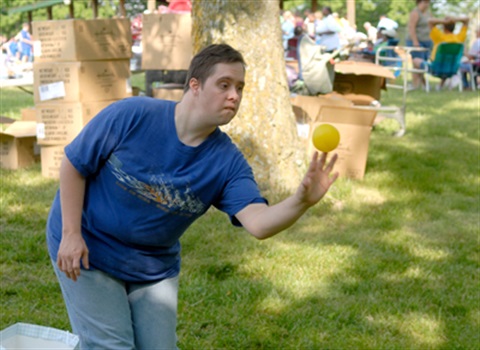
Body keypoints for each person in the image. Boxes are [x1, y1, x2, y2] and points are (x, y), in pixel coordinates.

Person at [46, 44, 339, 349]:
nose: (234, 96)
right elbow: (74, 164)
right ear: (195, 86)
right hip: (89, 245)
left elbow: (259, 224)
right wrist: (70, 233)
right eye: (224, 85)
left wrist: (301, 201)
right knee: (111, 346)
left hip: (151, 265)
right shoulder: (132, 115)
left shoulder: (226, 162)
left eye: (239, 87)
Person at [427, 16, 469, 89]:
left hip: (435, 68)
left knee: (416, 61)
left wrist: (444, 21)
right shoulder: (459, 38)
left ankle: (425, 86)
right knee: (447, 63)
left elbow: (430, 21)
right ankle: (440, 86)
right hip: (453, 69)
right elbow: (467, 20)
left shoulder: (440, 37)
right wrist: (455, 19)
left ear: (444, 27)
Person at [406, 0, 433, 89]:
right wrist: (415, 42)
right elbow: (411, 27)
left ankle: (420, 84)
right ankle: (418, 84)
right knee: (417, 63)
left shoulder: (429, 13)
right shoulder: (415, 12)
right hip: (416, 41)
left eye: (428, 2)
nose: (426, 5)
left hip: (427, 41)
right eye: (425, 2)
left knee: (423, 64)